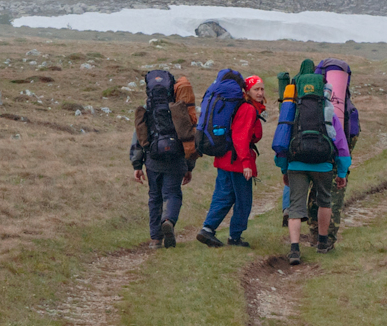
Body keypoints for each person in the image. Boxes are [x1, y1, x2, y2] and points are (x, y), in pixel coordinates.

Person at [273, 70, 351, 265]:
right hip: (323, 164)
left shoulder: (292, 109)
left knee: (296, 206)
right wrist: (342, 172)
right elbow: (341, 144)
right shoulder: (327, 109)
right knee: (324, 201)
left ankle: (294, 249)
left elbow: (282, 141)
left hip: (296, 164)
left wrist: (284, 169)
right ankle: (323, 243)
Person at [196, 75, 265, 247]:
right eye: (256, 89)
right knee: (243, 200)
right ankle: (235, 237)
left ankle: (208, 229)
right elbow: (240, 137)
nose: (260, 92)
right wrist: (246, 164)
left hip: (225, 159)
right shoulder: (248, 109)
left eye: (262, 89)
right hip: (237, 162)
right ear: (247, 91)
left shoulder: (242, 106)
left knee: (223, 196)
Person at [130, 74, 198, 248]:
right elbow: (188, 136)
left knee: (154, 197)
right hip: (176, 159)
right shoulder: (179, 109)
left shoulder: (148, 108)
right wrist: (189, 166)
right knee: (172, 193)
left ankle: (155, 239)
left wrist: (137, 165)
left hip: (153, 159)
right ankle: (168, 220)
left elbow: (138, 137)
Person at [308, 59, 359, 249]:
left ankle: (315, 235)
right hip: (340, 147)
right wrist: (343, 170)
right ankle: (327, 239)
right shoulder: (348, 109)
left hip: (315, 150)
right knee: (334, 195)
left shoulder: (312, 101)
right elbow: (351, 135)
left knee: (316, 191)